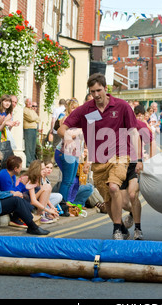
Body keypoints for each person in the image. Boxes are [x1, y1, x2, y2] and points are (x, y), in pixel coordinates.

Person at [58, 73, 142, 240]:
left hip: (120, 155)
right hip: (98, 160)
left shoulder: (122, 106)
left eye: (99, 90)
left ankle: (117, 229)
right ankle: (121, 228)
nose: (96, 95)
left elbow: (133, 132)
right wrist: (66, 137)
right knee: (108, 200)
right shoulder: (86, 109)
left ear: (105, 88)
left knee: (114, 187)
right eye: (92, 91)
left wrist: (138, 159)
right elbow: (62, 126)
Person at [0, 149, 49, 235]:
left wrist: (18, 191)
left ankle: (31, 224)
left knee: (20, 200)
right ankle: (32, 226)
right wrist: (13, 193)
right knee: (17, 200)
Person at [121, 104, 157, 240]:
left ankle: (137, 228)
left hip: (135, 163)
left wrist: (151, 161)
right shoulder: (118, 124)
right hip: (120, 164)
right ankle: (131, 212)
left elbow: (151, 141)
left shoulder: (140, 125)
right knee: (124, 202)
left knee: (132, 195)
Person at [54, 98, 84, 201]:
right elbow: (71, 134)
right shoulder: (66, 118)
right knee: (67, 181)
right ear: (68, 108)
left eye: (77, 108)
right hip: (66, 152)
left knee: (72, 180)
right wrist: (81, 129)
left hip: (75, 153)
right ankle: (62, 205)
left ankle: (67, 203)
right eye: (73, 107)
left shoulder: (79, 120)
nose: (75, 110)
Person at [23, 98, 40, 166]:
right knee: (29, 146)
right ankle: (28, 162)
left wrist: (35, 119)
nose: (30, 103)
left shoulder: (31, 110)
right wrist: (35, 119)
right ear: (25, 103)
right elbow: (32, 118)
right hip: (28, 129)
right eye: (28, 102)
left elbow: (38, 119)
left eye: (30, 102)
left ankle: (32, 161)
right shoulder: (25, 110)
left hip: (34, 129)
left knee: (33, 147)